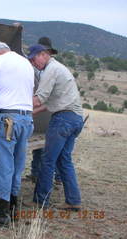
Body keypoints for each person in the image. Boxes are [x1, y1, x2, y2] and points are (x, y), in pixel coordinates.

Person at [0, 41, 34, 225]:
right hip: (26, 120)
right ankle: (13, 211)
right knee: (17, 166)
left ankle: (2, 215)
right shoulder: (26, 63)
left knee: (2, 166)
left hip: (8, 120)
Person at [25, 44, 83, 211]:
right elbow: (48, 103)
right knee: (64, 160)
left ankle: (40, 201)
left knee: (47, 160)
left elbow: (39, 99)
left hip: (63, 119)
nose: (33, 63)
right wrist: (30, 112)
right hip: (75, 119)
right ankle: (73, 200)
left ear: (43, 55)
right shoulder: (60, 68)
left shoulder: (50, 71)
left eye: (33, 59)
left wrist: (15, 104)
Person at [26, 37, 61, 184]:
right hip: (45, 111)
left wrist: (27, 109)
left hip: (56, 113)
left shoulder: (52, 70)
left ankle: (57, 177)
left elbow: (49, 99)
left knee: (55, 148)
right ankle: (35, 173)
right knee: (41, 147)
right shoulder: (41, 69)